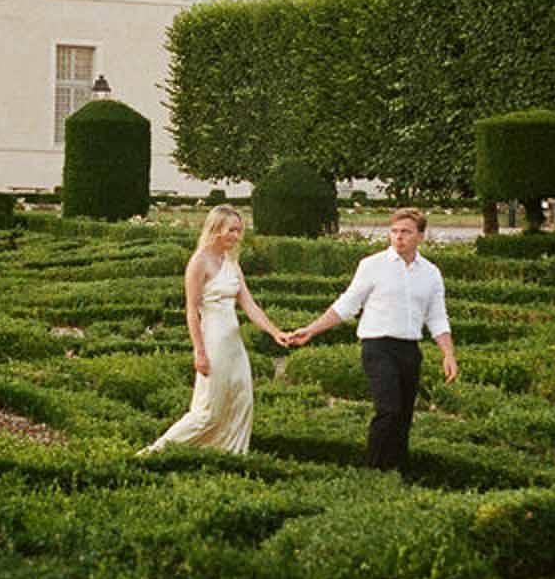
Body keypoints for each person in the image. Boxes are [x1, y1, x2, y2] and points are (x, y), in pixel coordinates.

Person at [286, 207, 457, 476]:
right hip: (377, 347)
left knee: (403, 416)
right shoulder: (372, 265)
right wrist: (312, 330)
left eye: (406, 232)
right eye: (394, 231)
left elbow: (437, 317)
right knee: (388, 410)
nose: (398, 237)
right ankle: (373, 472)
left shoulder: (431, 273)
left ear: (421, 236)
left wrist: (448, 354)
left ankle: (396, 472)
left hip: (410, 349)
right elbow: (347, 305)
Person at [138, 204, 288, 455]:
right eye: (232, 230)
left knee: (242, 402)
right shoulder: (199, 262)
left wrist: (275, 332)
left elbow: (249, 305)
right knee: (208, 411)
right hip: (213, 341)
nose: (237, 236)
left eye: (239, 231)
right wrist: (199, 351)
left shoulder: (232, 262)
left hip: (234, 344)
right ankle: (155, 453)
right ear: (216, 229)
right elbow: (192, 311)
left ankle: (230, 456)